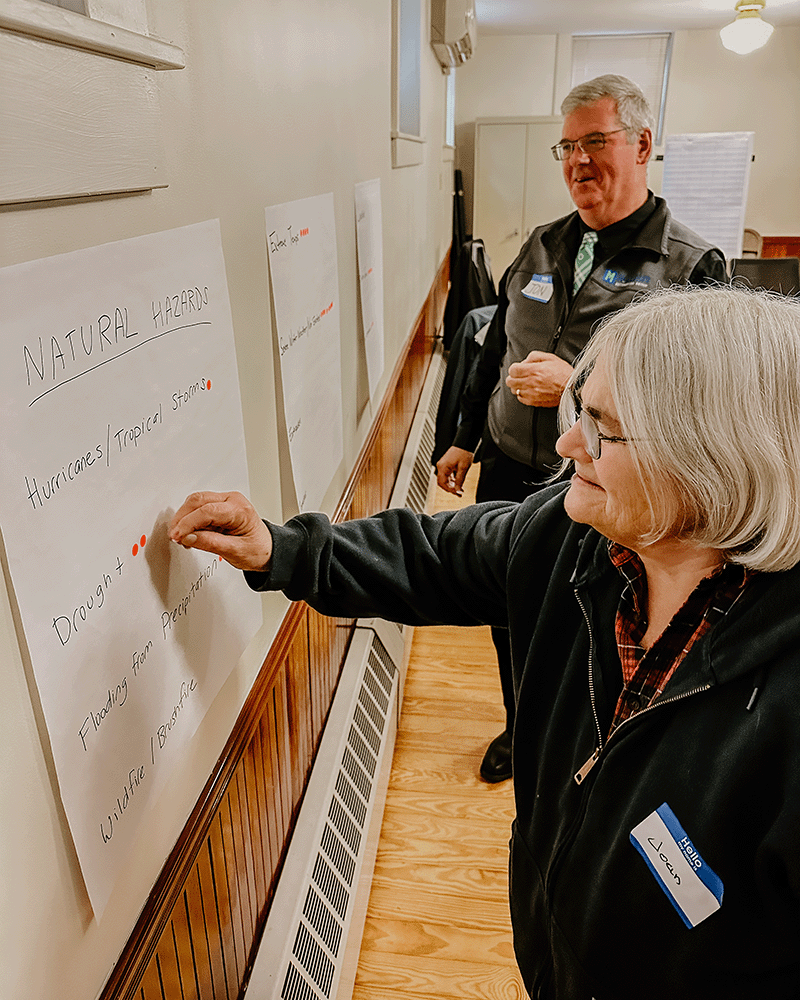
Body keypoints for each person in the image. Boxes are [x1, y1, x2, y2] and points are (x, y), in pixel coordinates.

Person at [170, 285, 800, 999]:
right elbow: (437, 556)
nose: (566, 445)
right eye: (578, 411)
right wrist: (280, 550)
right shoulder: (572, 539)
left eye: (601, 427)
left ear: (714, 458)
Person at [435, 73, 727, 783]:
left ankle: (597, 744)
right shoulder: (539, 245)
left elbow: (706, 411)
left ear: (642, 145)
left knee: (591, 619)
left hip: (606, 484)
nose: (578, 161)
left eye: (596, 141)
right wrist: (465, 437)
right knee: (510, 606)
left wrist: (580, 391)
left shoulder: (690, 266)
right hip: (508, 468)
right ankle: (521, 726)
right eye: (567, 146)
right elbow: (493, 352)